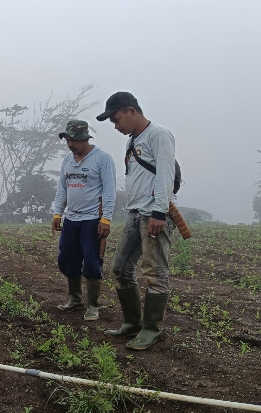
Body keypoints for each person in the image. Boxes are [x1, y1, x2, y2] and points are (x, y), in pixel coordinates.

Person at [96, 91, 176, 350]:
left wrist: (159, 212)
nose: (116, 126)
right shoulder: (132, 141)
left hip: (154, 213)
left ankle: (151, 329)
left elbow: (165, 174)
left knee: (155, 272)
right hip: (135, 212)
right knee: (120, 268)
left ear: (131, 110)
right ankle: (132, 323)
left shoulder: (159, 135)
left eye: (117, 119)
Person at [52, 120, 116, 321]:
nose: (71, 145)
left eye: (74, 141)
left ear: (86, 139)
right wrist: (57, 213)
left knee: (92, 262)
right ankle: (76, 299)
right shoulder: (67, 161)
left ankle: (93, 305)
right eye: (68, 140)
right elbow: (62, 188)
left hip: (92, 219)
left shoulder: (102, 159)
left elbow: (109, 191)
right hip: (71, 219)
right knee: (66, 260)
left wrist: (106, 219)